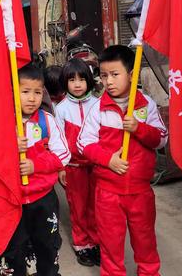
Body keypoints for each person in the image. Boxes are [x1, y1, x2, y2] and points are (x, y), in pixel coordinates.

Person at [77, 45, 168, 276]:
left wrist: (140, 129)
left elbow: (161, 140)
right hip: (107, 192)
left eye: (115, 74)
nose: (108, 81)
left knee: (145, 240)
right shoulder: (98, 107)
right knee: (110, 244)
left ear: (131, 74)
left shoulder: (145, 104)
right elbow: (83, 144)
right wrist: (108, 160)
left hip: (140, 191)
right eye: (104, 75)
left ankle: (149, 272)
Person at [0, 64, 70, 276]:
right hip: (13, 200)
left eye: (37, 92)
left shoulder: (47, 121)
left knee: (48, 247)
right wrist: (10, 149)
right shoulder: (2, 124)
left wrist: (35, 165)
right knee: (14, 251)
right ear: (13, 92)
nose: (32, 98)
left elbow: (64, 155)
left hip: (43, 200)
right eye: (25, 91)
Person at [55, 59, 99, 267]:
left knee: (97, 206)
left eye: (82, 79)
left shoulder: (98, 105)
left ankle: (96, 241)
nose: (78, 84)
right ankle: (82, 244)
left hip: (97, 165)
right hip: (73, 168)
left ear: (89, 80)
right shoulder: (61, 109)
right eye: (72, 79)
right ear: (65, 83)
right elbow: (58, 141)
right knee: (78, 206)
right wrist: (62, 167)